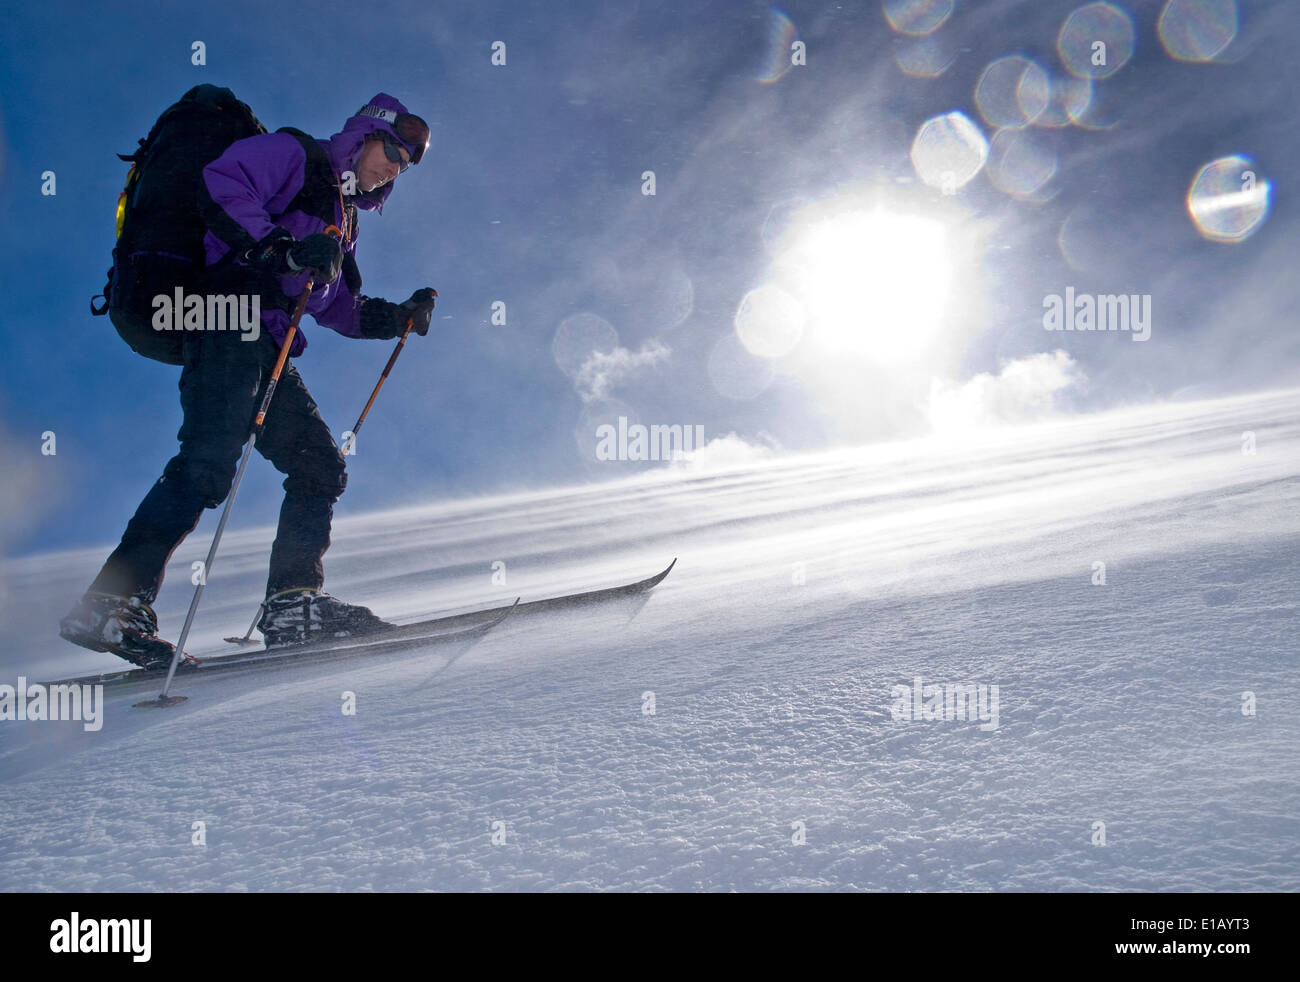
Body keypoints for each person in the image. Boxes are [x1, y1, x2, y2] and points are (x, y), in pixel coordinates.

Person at [59, 94, 437, 667]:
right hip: (222, 316)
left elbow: (337, 304)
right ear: (364, 133)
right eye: (392, 151)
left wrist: (398, 316)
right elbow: (221, 184)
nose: (395, 167)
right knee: (209, 460)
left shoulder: (342, 215)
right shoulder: (294, 155)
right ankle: (109, 604)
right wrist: (280, 249)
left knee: (318, 466)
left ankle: (292, 604)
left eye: (405, 164)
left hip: (267, 341)